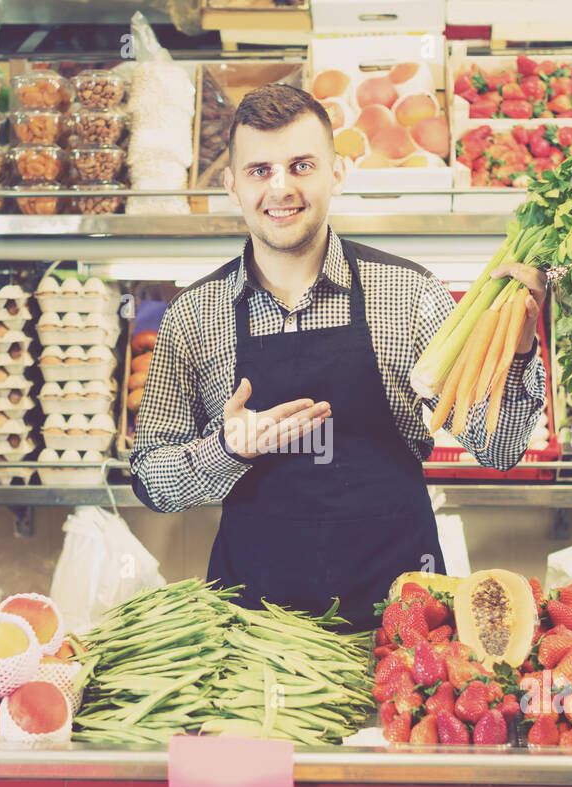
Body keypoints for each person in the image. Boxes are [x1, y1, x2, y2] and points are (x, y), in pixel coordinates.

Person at [130, 83, 547, 630]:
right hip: (257, 631)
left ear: (337, 172)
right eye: (259, 171)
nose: (280, 188)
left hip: (402, 628)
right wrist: (225, 450)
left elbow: (501, 448)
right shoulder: (194, 316)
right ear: (232, 185)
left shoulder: (408, 295)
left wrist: (518, 348)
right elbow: (151, 481)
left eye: (301, 165)